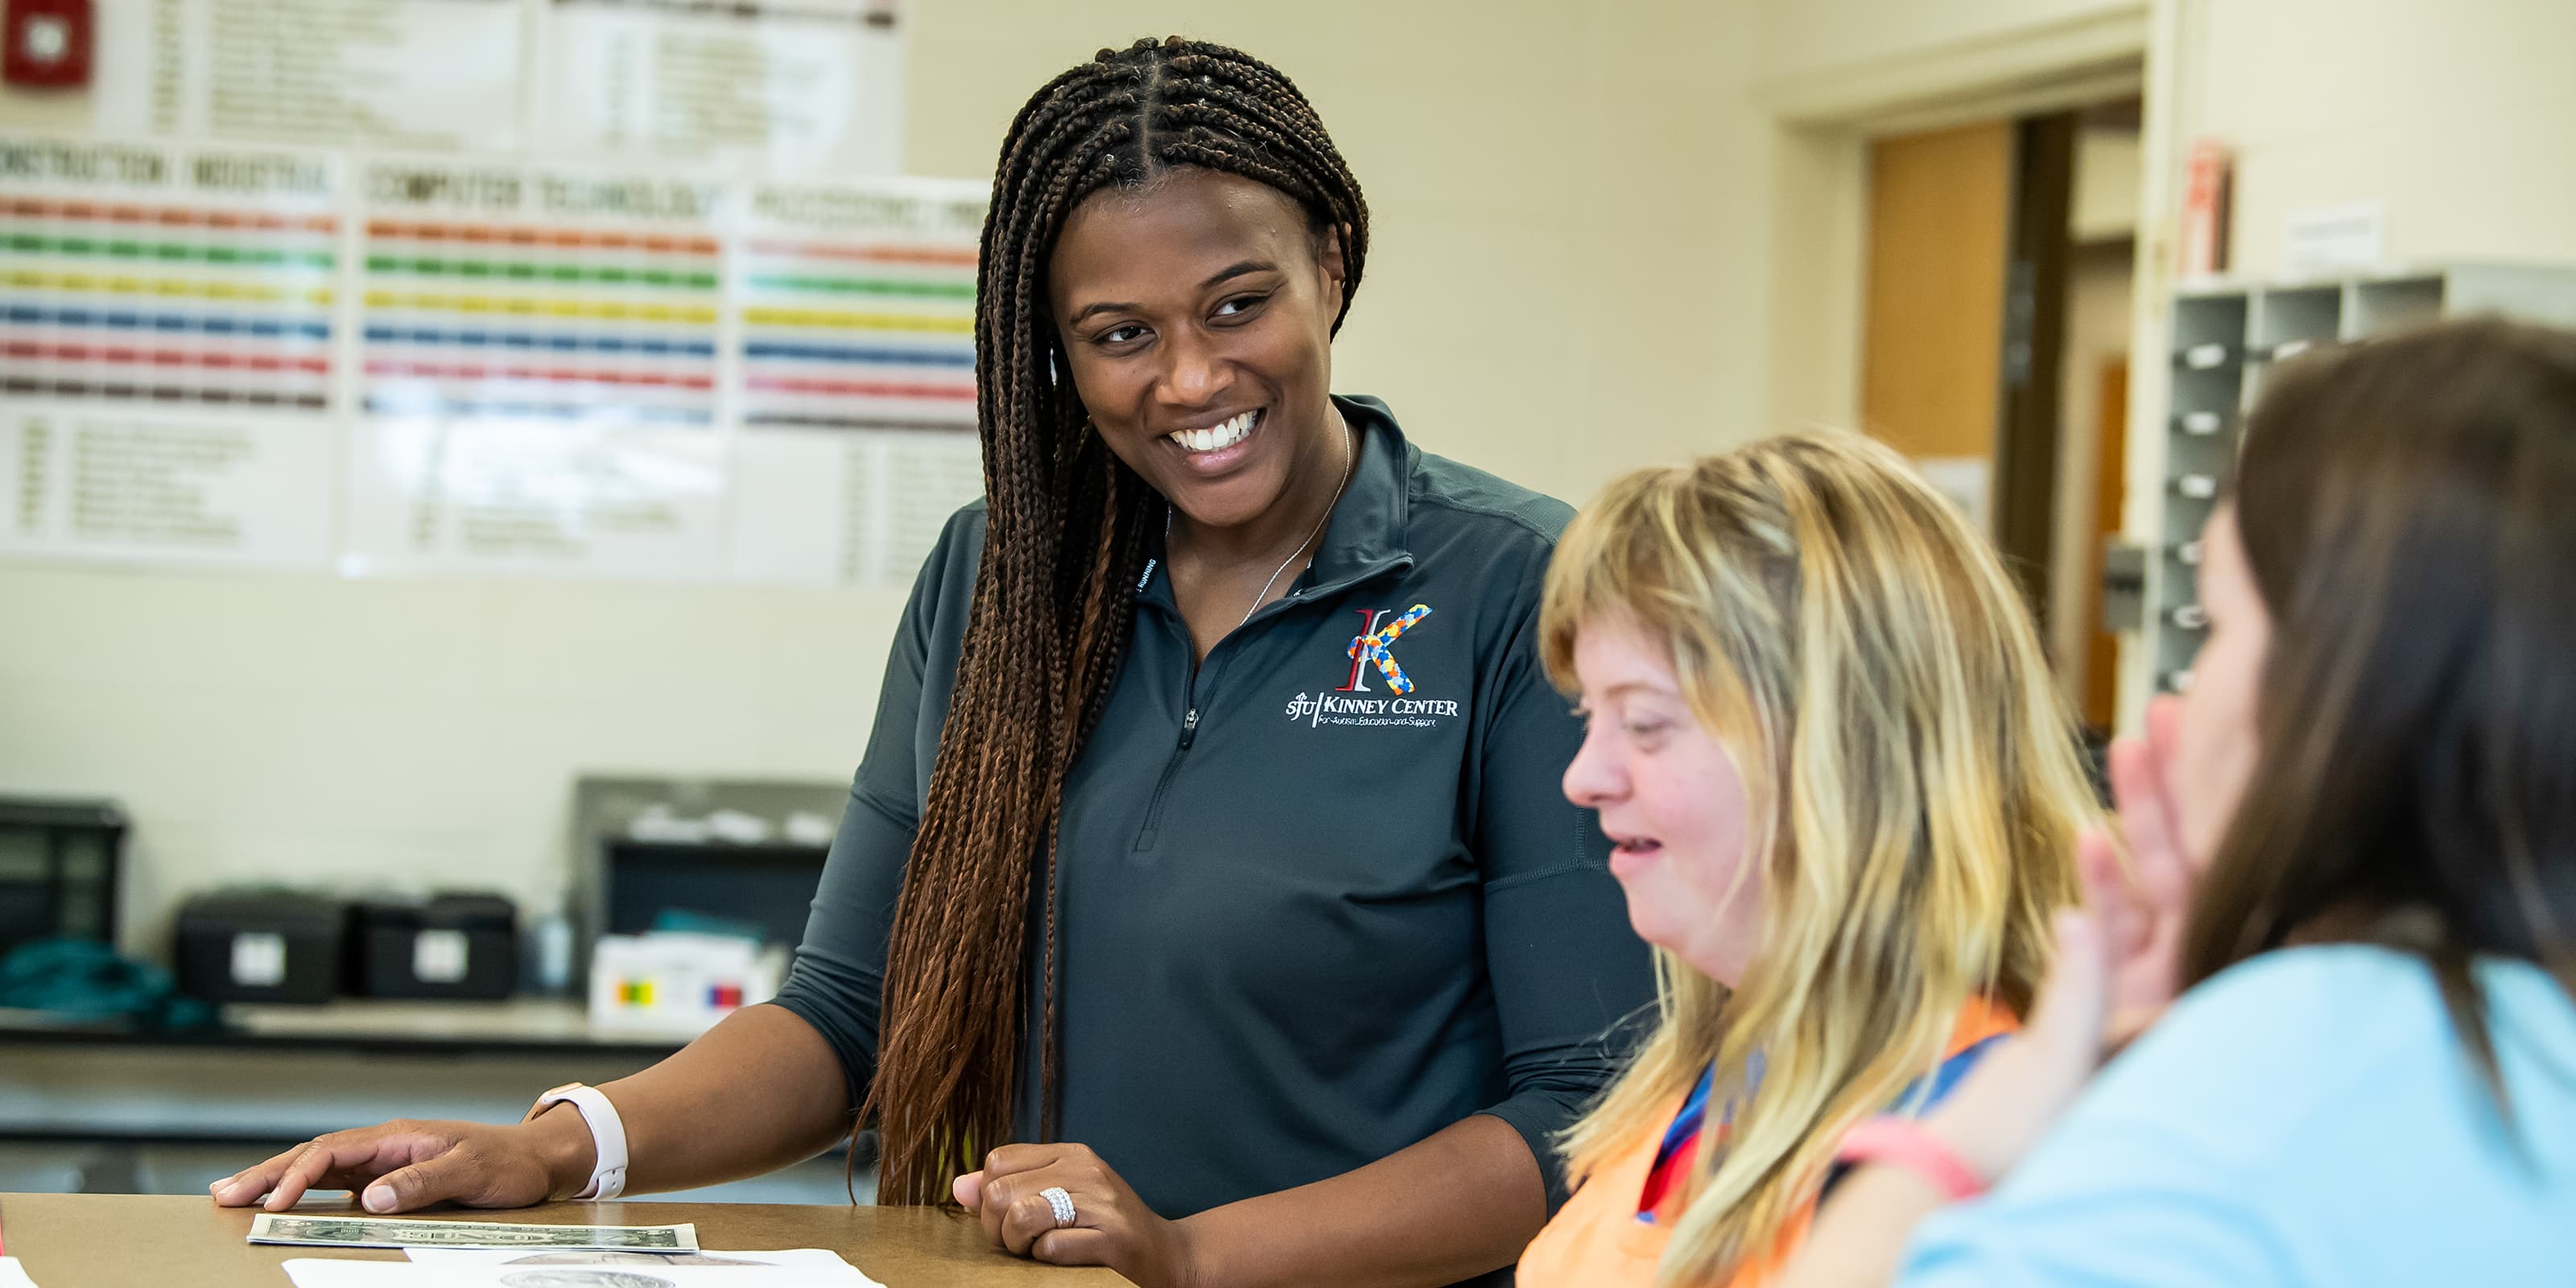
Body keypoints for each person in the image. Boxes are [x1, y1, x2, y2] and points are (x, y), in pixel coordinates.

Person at [211, 37, 1654, 1288]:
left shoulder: (1513, 587)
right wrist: (557, 1151)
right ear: (1057, 352)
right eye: (1118, 335)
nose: (1190, 381)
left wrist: (1190, 1258)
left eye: (1236, 303)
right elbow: (850, 1016)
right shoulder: (999, 578)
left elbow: (1585, 1113)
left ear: (1329, 267)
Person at [1778, 319, 2576, 1288]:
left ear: (2344, 683)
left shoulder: (2281, 1079)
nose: (2174, 705)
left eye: (2213, 627)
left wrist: (1977, 1128)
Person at [1514, 431, 2099, 1287]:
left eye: (1643, 724)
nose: (1582, 777)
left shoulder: (1983, 1138)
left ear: (1846, 751)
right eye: (1586, 718)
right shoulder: (1720, 1073)